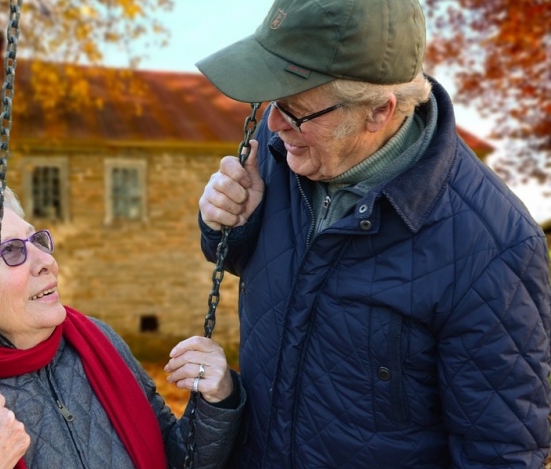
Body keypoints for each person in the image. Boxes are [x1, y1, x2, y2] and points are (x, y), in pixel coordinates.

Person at [195, 0, 551, 467]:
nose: (276, 125)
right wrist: (228, 224)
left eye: (295, 110)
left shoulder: (492, 247)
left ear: (379, 113)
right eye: (272, 103)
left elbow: (502, 452)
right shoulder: (284, 146)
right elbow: (251, 264)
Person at [0, 175, 244, 469]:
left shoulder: (98, 344)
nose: (45, 260)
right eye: (10, 252)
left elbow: (173, 458)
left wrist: (215, 400)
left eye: (36, 241)